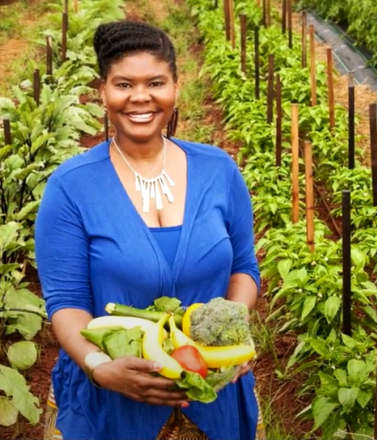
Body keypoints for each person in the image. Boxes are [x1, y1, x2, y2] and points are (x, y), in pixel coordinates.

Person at [35, 20, 264, 440]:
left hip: (215, 393)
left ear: (177, 86)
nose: (140, 97)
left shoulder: (219, 170)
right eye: (124, 84)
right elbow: (66, 302)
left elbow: (244, 268)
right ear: (102, 91)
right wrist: (101, 367)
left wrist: (230, 337)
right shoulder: (71, 187)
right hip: (111, 405)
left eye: (155, 82)